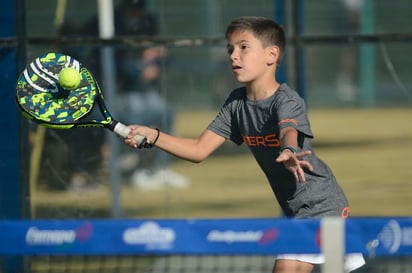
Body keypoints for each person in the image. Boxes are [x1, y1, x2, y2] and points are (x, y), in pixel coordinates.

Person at [124, 16, 365, 273]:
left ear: (271, 55)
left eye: (243, 47)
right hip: (295, 209)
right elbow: (198, 149)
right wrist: (155, 135)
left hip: (322, 205)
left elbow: (289, 130)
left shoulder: (287, 100)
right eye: (230, 49)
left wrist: (288, 150)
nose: (233, 56)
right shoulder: (236, 104)